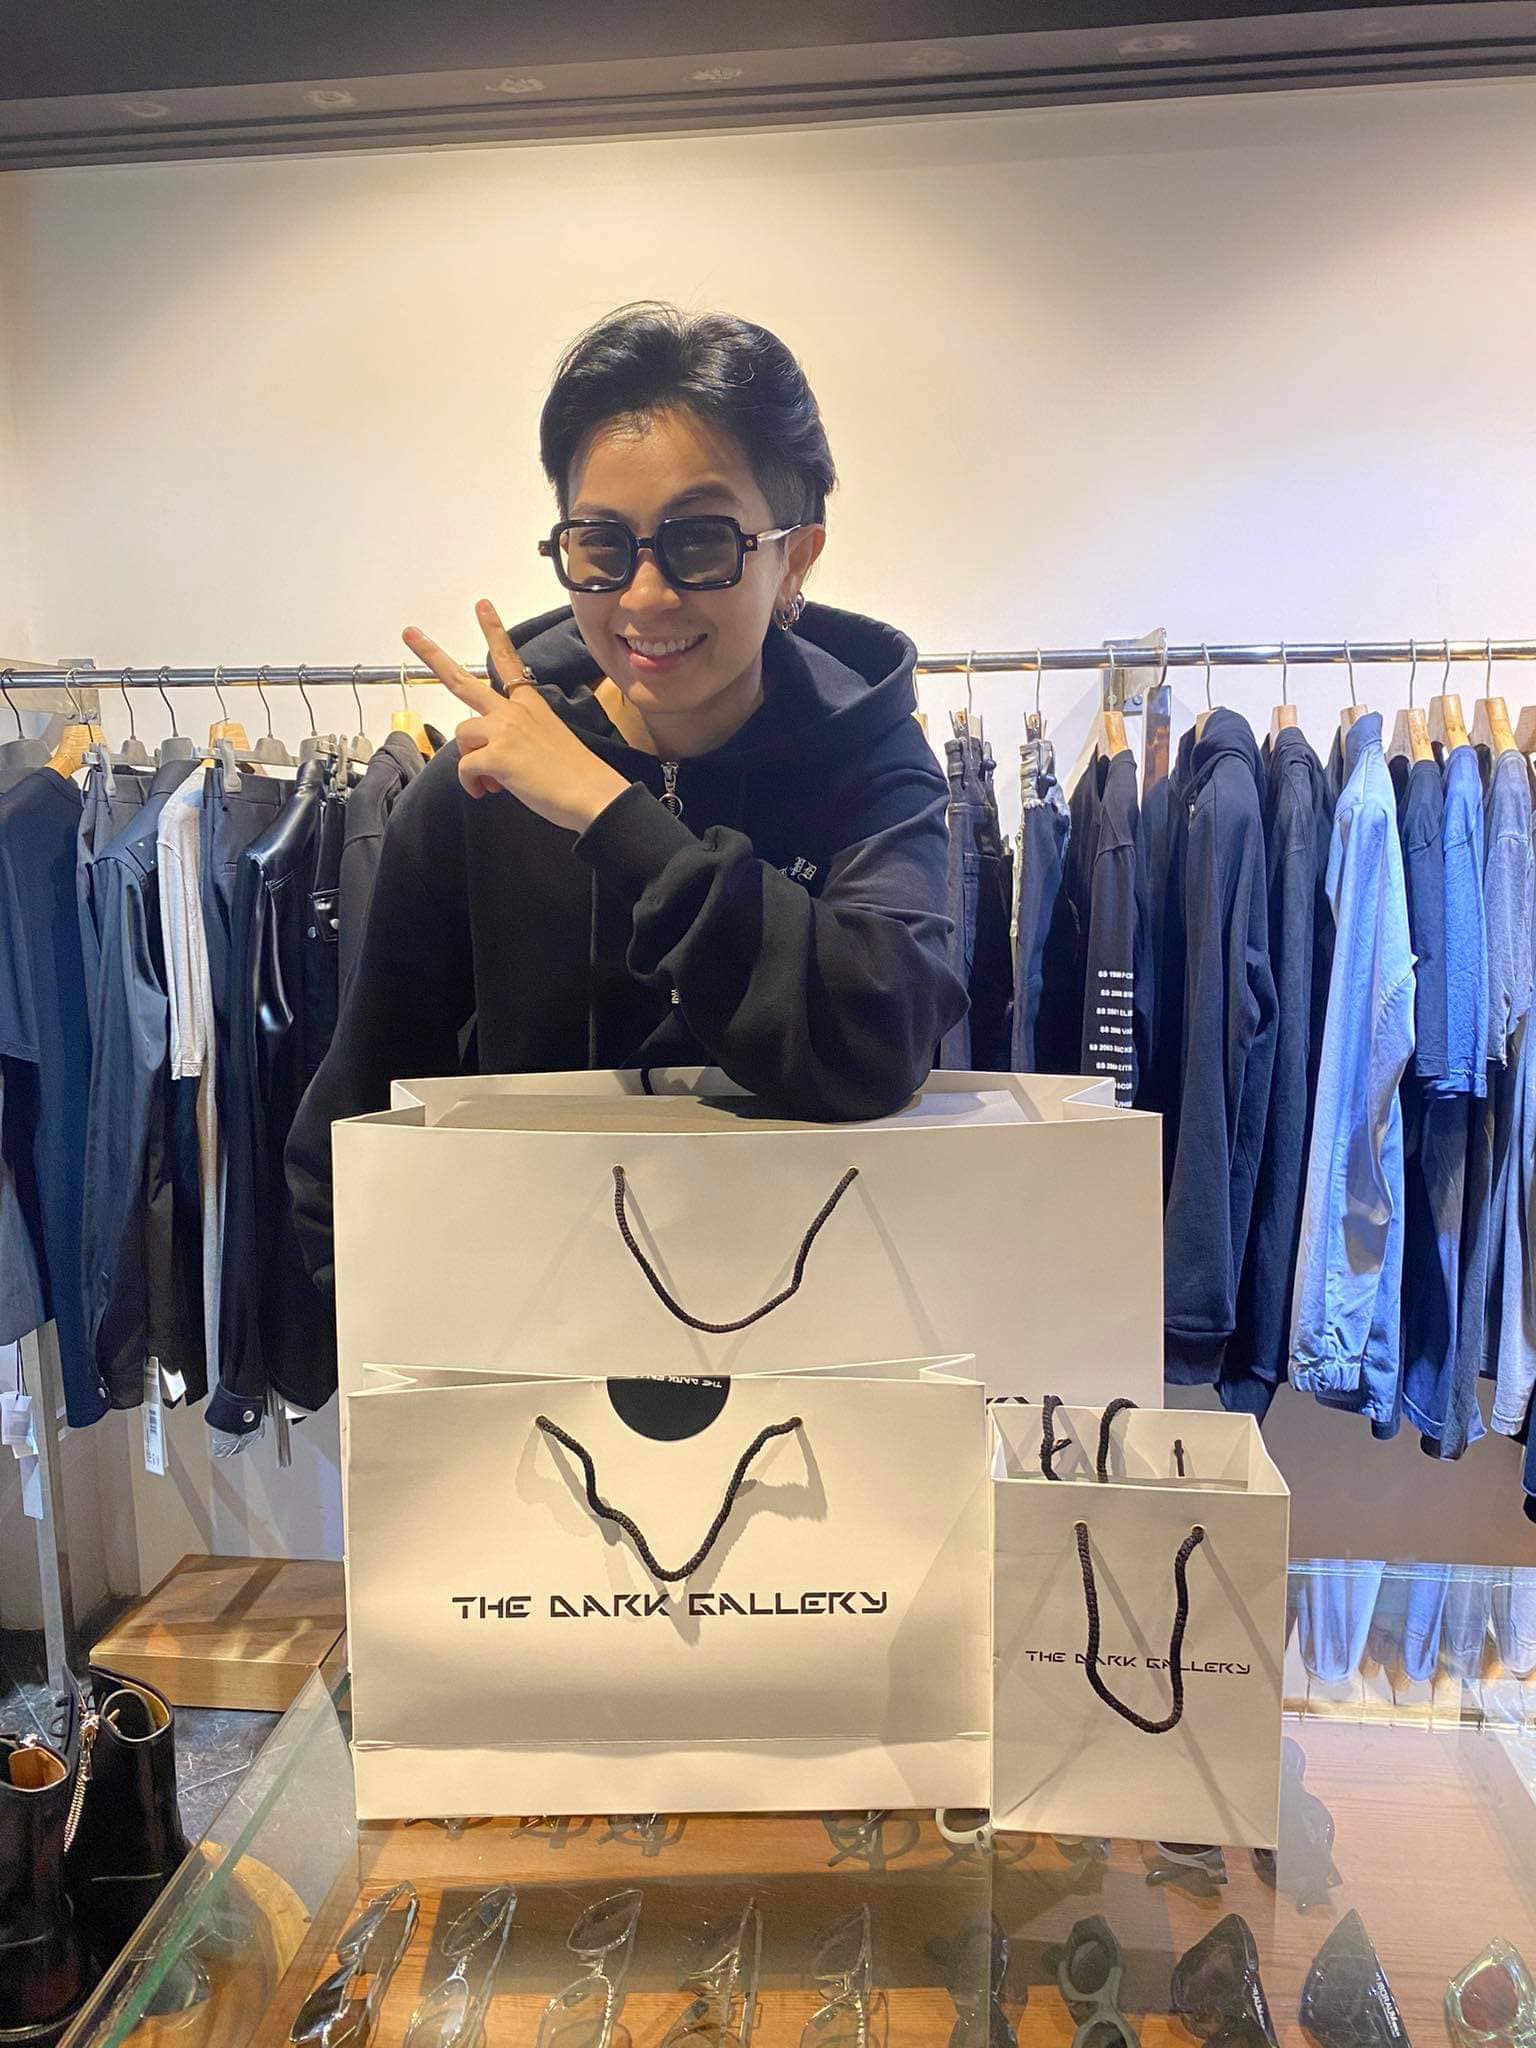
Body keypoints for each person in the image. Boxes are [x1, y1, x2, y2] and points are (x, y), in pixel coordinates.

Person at [286, 301, 967, 1293]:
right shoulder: (477, 788)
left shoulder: (874, 766)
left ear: (795, 557)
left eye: (700, 541)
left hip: (816, 1328)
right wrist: (390, 1350)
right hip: (535, 1346)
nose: (645, 597)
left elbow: (877, 1045)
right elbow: (353, 1140)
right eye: (602, 544)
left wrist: (615, 817)